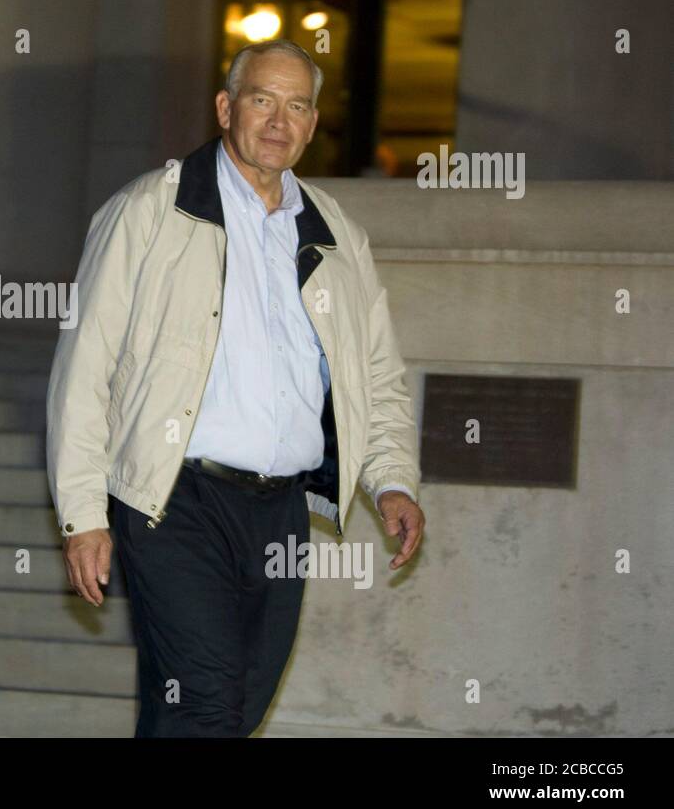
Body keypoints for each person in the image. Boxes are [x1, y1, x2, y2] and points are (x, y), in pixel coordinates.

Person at [46, 39, 426, 737]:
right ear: (225, 108)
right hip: (172, 502)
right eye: (261, 100)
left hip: (280, 512)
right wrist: (83, 514)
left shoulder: (337, 234)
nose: (279, 121)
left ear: (313, 125)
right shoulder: (149, 212)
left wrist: (391, 479)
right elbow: (83, 368)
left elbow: (374, 374)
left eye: (297, 106)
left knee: (227, 704)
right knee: (209, 703)